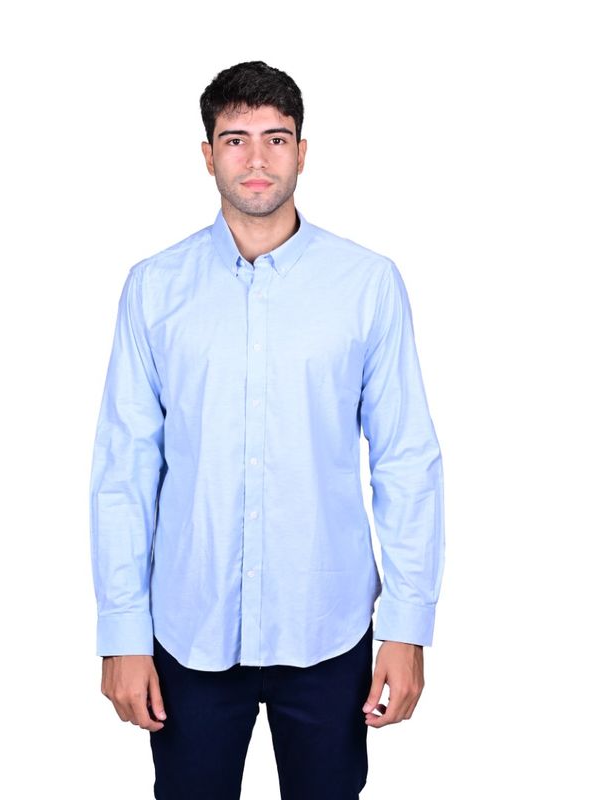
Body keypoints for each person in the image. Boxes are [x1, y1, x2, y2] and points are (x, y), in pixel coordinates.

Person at [89, 60, 445, 800]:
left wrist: (408, 626)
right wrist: (122, 631)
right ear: (207, 154)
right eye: (236, 139)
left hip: (327, 627)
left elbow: (406, 459)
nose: (256, 159)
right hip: (188, 632)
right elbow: (125, 469)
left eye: (276, 139)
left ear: (302, 152)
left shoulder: (367, 284)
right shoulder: (154, 289)